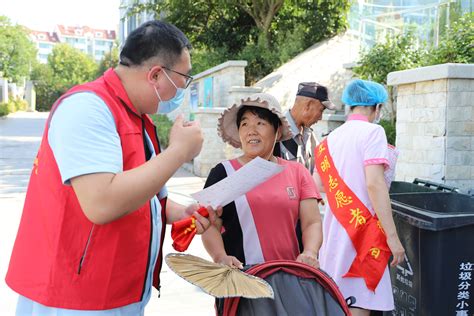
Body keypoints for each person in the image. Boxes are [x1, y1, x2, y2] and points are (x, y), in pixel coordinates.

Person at [6, 20, 217, 315]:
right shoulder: (88, 109)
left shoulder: (135, 116)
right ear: (156, 75)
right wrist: (178, 153)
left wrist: (179, 212)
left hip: (118, 290)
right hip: (76, 297)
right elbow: (102, 202)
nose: (181, 92)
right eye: (182, 82)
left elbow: (139, 191)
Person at [201, 92, 323, 270]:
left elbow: (312, 222)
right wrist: (220, 256)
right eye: (244, 124)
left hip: (289, 276)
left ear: (277, 130)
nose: (251, 130)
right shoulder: (224, 173)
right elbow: (210, 225)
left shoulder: (297, 172)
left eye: (260, 123)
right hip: (241, 278)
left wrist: (310, 252)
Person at [315, 79, 405, 316]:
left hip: (334, 234)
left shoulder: (328, 140)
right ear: (376, 107)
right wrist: (393, 239)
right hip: (362, 236)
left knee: (337, 303)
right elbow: (375, 184)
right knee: (357, 305)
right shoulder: (374, 132)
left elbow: (317, 185)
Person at [274, 82, 336, 175]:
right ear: (308, 106)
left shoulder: (309, 135)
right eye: (321, 110)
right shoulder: (276, 133)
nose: (320, 118)